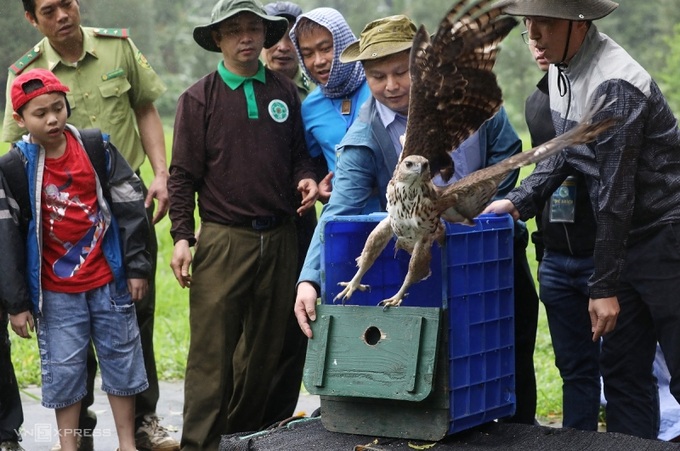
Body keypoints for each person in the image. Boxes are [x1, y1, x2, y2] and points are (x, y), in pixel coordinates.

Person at [293, 14, 539, 425]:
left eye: (401, 71)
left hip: (489, 250)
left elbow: (507, 153)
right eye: (377, 76)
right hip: (427, 261)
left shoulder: (465, 100)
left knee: (505, 360)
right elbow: (340, 210)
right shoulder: (365, 131)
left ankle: (518, 431)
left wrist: (477, 202)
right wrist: (309, 278)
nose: (391, 86)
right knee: (445, 374)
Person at [485, 0, 680, 439]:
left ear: (579, 23)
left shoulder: (615, 83)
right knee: (624, 371)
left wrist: (604, 286)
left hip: (666, 235)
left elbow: (615, 193)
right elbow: (569, 153)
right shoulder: (562, 70)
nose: (533, 35)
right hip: (627, 239)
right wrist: (517, 201)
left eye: (545, 24)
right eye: (527, 23)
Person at [1, 1, 176, 449]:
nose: (61, 14)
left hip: (118, 226)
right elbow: (12, 183)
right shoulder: (26, 80)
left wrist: (160, 173)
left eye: (66, 3)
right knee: (67, 358)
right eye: (47, 9)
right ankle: (76, 437)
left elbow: (145, 109)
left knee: (131, 336)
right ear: (32, 19)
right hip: (57, 261)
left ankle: (139, 428)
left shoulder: (117, 50)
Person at [167, 0, 318, 448]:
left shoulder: (286, 93)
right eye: (235, 30)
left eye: (254, 29)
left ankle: (253, 440)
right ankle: (199, 444)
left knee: (266, 356)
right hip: (223, 238)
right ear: (218, 38)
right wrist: (181, 236)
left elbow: (298, 156)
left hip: (281, 237)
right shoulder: (198, 99)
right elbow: (183, 176)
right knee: (211, 358)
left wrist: (306, 177)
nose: (246, 37)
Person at [6, 68, 150, 451]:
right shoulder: (14, 167)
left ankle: (126, 443)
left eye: (58, 108)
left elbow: (130, 207)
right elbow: (8, 240)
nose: (53, 118)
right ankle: (68, 446)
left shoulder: (95, 148)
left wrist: (137, 267)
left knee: (122, 362)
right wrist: (17, 303)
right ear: (21, 119)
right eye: (40, 113)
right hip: (55, 293)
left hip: (108, 281)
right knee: (65, 371)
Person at [523, 33, 601, 431]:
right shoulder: (537, 102)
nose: (538, 44)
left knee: (623, 371)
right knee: (574, 370)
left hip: (603, 257)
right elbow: (544, 176)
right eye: (529, 33)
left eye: (546, 30)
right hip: (554, 256)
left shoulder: (604, 91)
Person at [290, 7, 371, 175]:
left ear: (345, 43)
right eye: (308, 54)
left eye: (326, 49)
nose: (318, 61)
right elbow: (313, 162)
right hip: (341, 201)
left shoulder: (378, 89)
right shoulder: (310, 108)